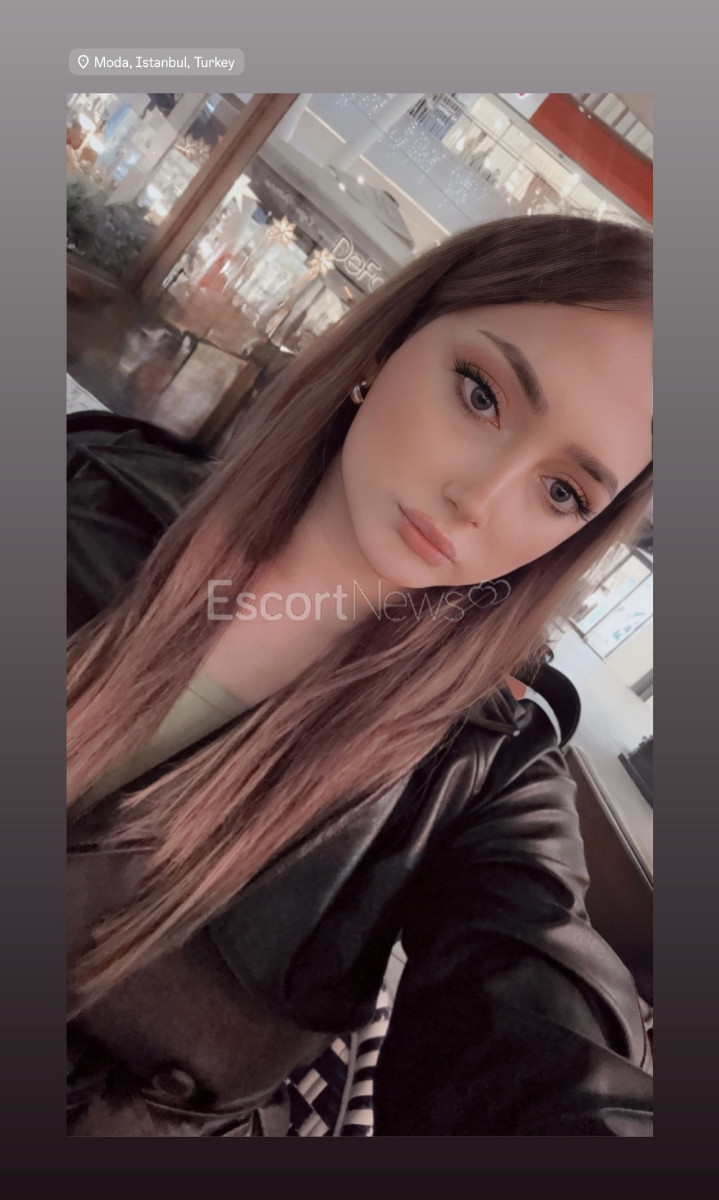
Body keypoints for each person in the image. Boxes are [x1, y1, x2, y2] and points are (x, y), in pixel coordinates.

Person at [67, 214, 654, 1136]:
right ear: (386, 347)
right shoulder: (88, 485)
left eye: (561, 492)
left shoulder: (479, 779)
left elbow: (543, 1038)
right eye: (481, 394)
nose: (477, 499)